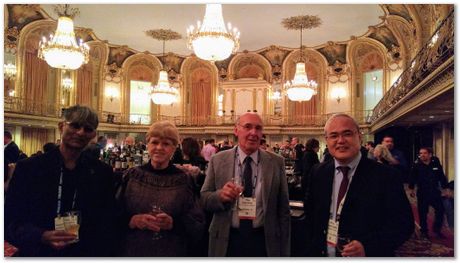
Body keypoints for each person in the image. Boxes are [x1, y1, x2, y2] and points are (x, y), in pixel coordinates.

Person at [5, 105, 117, 256]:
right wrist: (41, 235)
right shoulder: (29, 168)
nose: (80, 132)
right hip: (37, 252)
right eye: (75, 125)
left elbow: (107, 220)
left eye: (88, 129)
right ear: (61, 126)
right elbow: (9, 221)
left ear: (93, 135)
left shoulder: (101, 172)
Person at [304, 113, 413, 257]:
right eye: (334, 136)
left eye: (347, 134)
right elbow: (311, 215)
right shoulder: (318, 172)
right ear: (327, 140)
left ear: (359, 137)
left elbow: (403, 224)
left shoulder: (386, 175)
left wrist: (367, 246)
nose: (340, 140)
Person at [201, 112, 291, 257]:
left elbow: (283, 210)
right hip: (227, 239)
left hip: (264, 241)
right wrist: (220, 196)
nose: (253, 133)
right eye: (248, 127)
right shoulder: (218, 160)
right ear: (236, 130)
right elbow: (204, 198)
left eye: (258, 128)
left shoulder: (276, 162)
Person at [116, 121, 205, 256]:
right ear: (148, 145)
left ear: (174, 148)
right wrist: (132, 220)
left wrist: (173, 223)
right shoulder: (132, 176)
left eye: (166, 144)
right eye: (155, 142)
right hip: (133, 250)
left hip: (172, 251)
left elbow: (197, 222)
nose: (159, 147)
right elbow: (113, 213)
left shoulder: (184, 180)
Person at [409, 147, 448, 239]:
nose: (422, 155)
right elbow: (412, 177)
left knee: (440, 210)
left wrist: (445, 188)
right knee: (422, 212)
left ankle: (437, 230)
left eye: (424, 153)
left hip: (435, 191)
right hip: (422, 192)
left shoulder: (435, 163)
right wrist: (411, 189)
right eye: (420, 153)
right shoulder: (417, 165)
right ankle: (424, 231)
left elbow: (441, 176)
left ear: (430, 154)